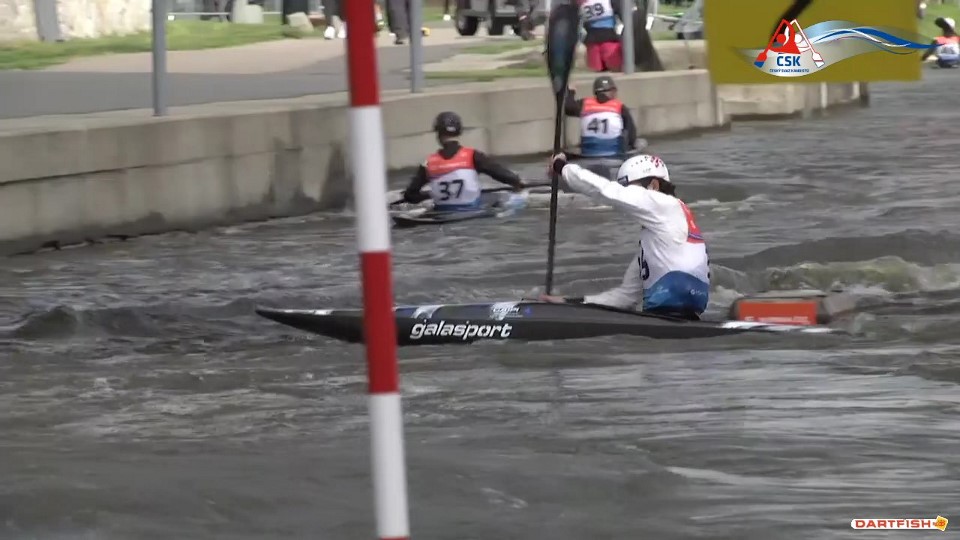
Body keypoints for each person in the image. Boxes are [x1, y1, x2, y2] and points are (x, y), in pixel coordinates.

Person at [539, 153, 710, 320]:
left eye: (629, 189)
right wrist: (569, 303)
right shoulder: (660, 241)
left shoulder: (665, 204)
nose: (625, 198)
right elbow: (625, 297)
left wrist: (562, 167)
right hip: (675, 315)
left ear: (654, 185)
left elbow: (605, 191)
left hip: (670, 313)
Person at [402, 112, 527, 210]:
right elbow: (499, 173)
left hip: (442, 212)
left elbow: (410, 195)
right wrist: (517, 181)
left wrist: (430, 195)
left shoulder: (428, 163)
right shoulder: (473, 155)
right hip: (472, 210)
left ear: (438, 134)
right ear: (459, 132)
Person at [565, 76, 639, 158]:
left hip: (588, 156)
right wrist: (629, 147)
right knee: (640, 143)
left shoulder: (584, 104)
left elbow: (567, 108)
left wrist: (571, 91)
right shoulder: (620, 107)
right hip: (614, 156)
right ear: (611, 92)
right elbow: (632, 135)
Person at [578, 0, 625, 72]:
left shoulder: (581, 2)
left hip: (591, 41)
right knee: (616, 70)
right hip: (609, 39)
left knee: (595, 72)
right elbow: (625, 17)